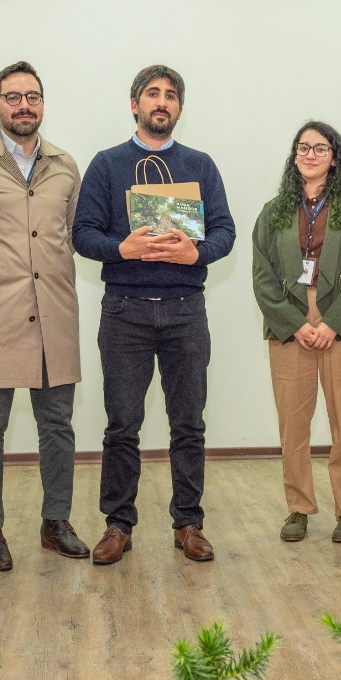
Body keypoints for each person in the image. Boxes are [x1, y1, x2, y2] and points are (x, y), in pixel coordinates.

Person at [71, 64, 236, 565]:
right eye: (151, 94)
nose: (160, 102)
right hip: (125, 313)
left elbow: (225, 232)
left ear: (179, 108)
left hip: (187, 311)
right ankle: (118, 524)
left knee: (189, 423)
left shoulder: (201, 165)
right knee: (122, 423)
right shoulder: (107, 164)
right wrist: (122, 248)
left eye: (170, 96)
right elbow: (83, 235)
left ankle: (188, 522)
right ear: (135, 104)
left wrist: (197, 254)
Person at [0, 61, 89, 572]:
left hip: (54, 315)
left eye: (32, 97)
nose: (23, 105)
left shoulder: (66, 164)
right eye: (13, 97)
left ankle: (56, 522)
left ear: (43, 103)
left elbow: (72, 236)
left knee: (58, 425)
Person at [251, 121, 341, 544]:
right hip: (291, 323)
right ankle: (299, 508)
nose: (310, 154)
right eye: (303, 148)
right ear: (294, 157)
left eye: (320, 148)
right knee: (293, 423)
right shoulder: (273, 212)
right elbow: (262, 276)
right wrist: (296, 325)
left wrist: (332, 324)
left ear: (334, 157)